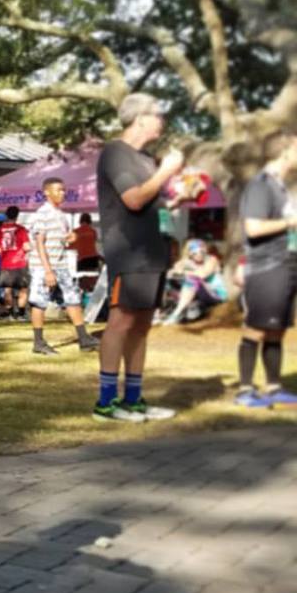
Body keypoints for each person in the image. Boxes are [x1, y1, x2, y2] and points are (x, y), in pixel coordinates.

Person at [93, 93, 190, 422]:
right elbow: (133, 199)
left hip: (153, 252)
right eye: (158, 115)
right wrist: (167, 171)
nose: (162, 122)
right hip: (129, 252)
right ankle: (106, 402)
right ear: (140, 119)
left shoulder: (146, 159)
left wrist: (178, 198)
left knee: (142, 326)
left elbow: (151, 204)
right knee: (120, 322)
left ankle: (133, 398)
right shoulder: (115, 153)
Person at [234, 130, 297, 408]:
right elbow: (253, 228)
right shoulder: (261, 184)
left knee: (276, 329)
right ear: (284, 151)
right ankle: (245, 391)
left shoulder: (281, 186)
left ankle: (273, 388)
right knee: (256, 328)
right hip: (266, 268)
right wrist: (291, 222)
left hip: (286, 266)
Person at [27, 178, 100, 354]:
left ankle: (83, 338)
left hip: (60, 264)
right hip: (43, 266)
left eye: (63, 190)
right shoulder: (42, 213)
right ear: (47, 192)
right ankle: (38, 342)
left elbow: (60, 240)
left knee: (73, 299)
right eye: (58, 190)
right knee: (40, 303)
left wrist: (70, 238)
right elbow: (39, 243)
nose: (62, 193)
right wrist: (47, 270)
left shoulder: (61, 215)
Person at [163, 239, 226, 325]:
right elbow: (173, 271)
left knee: (192, 279)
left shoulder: (211, 260)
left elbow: (202, 275)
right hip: (199, 292)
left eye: (201, 252)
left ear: (205, 252)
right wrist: (175, 270)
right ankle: (162, 311)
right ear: (190, 254)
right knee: (166, 278)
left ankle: (175, 314)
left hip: (215, 294)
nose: (199, 255)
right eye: (195, 253)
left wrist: (184, 272)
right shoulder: (186, 261)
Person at [0, 205, 30, 320]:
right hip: (19, 262)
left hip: (5, 263)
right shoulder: (21, 229)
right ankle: (21, 314)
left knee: (7, 289)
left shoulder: (0, 230)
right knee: (23, 289)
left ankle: (9, 314)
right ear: (17, 215)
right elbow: (26, 246)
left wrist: (3, 252)